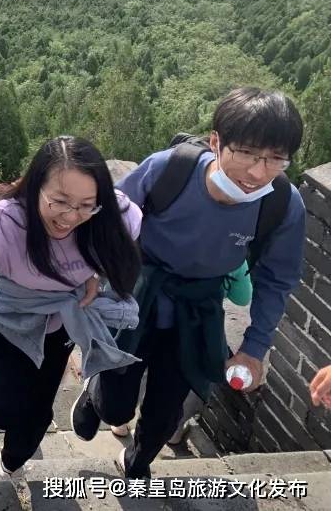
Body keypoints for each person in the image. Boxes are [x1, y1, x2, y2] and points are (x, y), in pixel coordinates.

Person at [70, 87, 305, 480]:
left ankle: (138, 461)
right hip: (137, 294)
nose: (259, 172)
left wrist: (254, 347)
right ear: (217, 142)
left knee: (166, 412)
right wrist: (92, 274)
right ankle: (96, 400)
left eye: (276, 159)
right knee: (116, 406)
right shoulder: (169, 170)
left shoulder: (281, 204)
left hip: (196, 309)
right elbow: (109, 224)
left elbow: (277, 279)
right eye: (246, 153)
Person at [0, 136, 142, 482]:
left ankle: (8, 465)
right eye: (60, 202)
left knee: (37, 414)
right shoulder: (1, 226)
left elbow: (118, 246)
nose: (71, 217)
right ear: (36, 185)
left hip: (57, 322)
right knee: (2, 408)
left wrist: (96, 274)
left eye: (86, 205)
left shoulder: (119, 216)